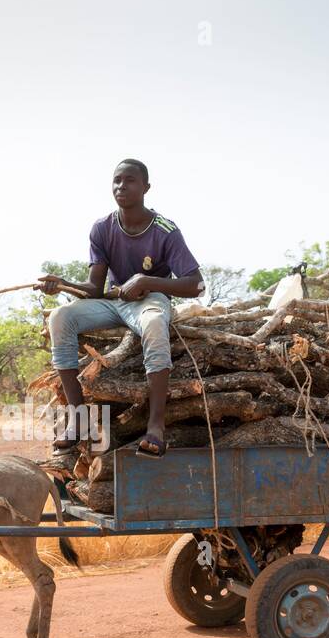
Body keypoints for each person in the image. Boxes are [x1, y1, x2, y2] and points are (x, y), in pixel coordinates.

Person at [37, 158, 204, 459]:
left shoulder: (165, 230)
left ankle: (156, 427)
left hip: (150, 300)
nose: (121, 186)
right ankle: (78, 421)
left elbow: (196, 284)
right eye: (116, 180)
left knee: (154, 325)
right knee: (61, 317)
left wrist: (145, 280)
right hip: (113, 302)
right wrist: (61, 284)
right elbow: (94, 288)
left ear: (146, 187)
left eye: (129, 180)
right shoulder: (102, 228)